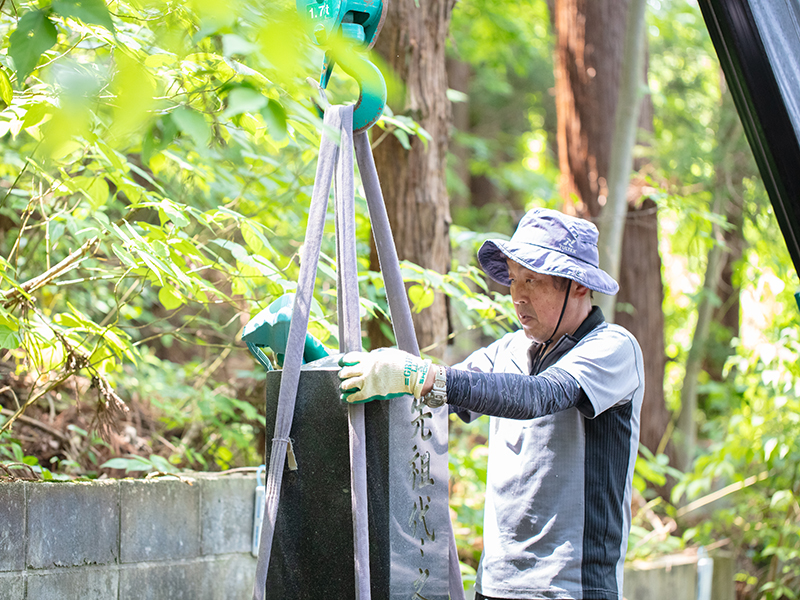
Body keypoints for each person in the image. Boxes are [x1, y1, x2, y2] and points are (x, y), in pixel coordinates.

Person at [338, 207, 645, 600]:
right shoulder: (509, 350)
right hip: (495, 585)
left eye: (532, 280)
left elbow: (538, 395)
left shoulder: (612, 348)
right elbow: (434, 398)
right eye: (514, 280)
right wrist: (331, 368)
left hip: (570, 588)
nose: (517, 296)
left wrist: (424, 376)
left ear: (578, 286)